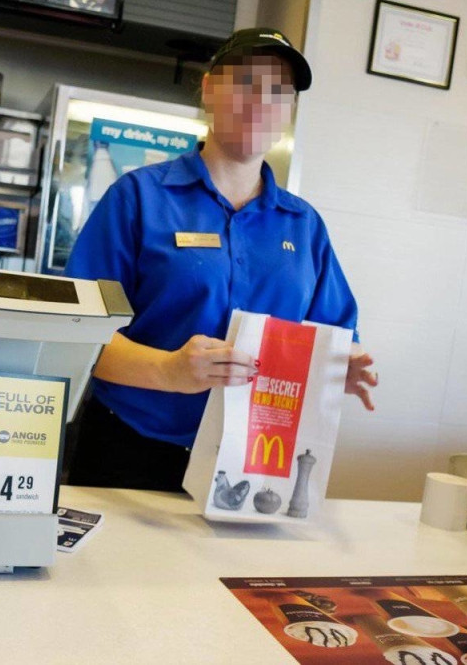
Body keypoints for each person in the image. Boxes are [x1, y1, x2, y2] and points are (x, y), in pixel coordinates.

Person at [64, 28, 377, 492]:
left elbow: (333, 336)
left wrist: (341, 363)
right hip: (130, 449)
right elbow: (77, 335)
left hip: (252, 460)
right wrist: (168, 370)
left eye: (278, 92)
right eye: (246, 83)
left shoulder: (303, 226)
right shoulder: (138, 198)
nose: (261, 102)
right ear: (210, 89)